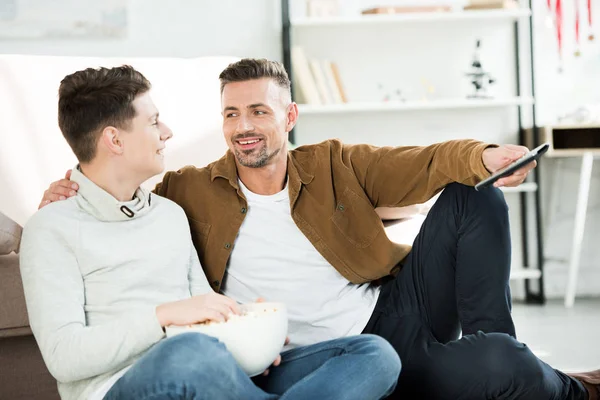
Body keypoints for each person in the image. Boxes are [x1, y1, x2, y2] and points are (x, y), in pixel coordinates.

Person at [40, 59, 599, 400]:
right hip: (317, 354)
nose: (243, 128)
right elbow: (111, 191)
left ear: (289, 117)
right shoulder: (184, 192)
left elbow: (420, 163)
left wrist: (484, 156)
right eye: (231, 114)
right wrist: (66, 185)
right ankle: (523, 376)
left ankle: (497, 348)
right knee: (502, 369)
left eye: (259, 111)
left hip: (391, 312)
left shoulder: (331, 164)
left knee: (473, 198)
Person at [20, 65, 401, 400]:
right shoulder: (52, 227)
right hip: (128, 383)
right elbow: (64, 357)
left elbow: (205, 305)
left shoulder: (168, 214)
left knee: (372, 354)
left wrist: (251, 334)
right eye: (153, 122)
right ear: (114, 140)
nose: (167, 132)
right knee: (188, 353)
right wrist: (167, 317)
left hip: (213, 371)